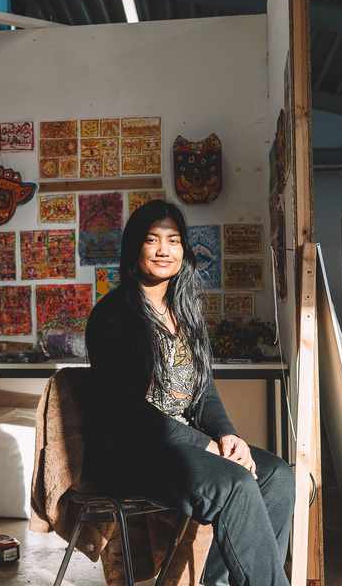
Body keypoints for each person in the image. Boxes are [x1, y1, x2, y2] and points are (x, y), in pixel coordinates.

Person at [84, 200, 294, 586]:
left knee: (278, 476)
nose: (164, 250)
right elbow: (126, 411)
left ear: (184, 249)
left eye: (174, 240)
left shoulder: (187, 313)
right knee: (234, 484)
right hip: (132, 452)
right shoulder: (113, 317)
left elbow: (203, 390)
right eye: (152, 240)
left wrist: (228, 435)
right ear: (135, 249)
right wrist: (204, 444)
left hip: (183, 447)